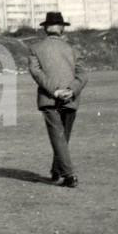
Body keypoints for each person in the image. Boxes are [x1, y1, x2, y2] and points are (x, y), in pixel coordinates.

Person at [28, 11, 88, 188]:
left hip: (49, 98)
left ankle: (68, 175)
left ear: (45, 28)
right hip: (71, 98)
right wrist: (71, 90)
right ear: (62, 28)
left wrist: (55, 91)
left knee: (58, 137)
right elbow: (83, 75)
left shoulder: (35, 48)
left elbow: (37, 73)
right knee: (63, 137)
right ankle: (57, 171)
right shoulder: (73, 49)